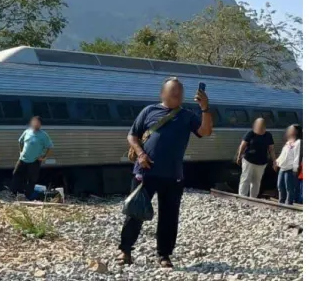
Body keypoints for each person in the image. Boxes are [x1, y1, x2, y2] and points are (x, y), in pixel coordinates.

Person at [118, 77, 213, 268]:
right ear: (163, 93)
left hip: (173, 174)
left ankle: (164, 255)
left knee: (169, 216)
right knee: (135, 211)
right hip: (145, 171)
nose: (177, 95)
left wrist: (204, 108)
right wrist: (140, 154)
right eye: (173, 91)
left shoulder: (187, 115)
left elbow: (205, 131)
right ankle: (125, 250)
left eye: (180, 92)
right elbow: (132, 135)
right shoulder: (149, 111)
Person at [14, 116, 53, 199]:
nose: (36, 124)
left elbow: (49, 146)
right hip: (22, 159)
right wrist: (21, 152)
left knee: (31, 179)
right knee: (16, 174)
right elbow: (20, 141)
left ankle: (28, 196)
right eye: (34, 122)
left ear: (40, 124)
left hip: (34, 161)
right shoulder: (27, 131)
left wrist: (44, 157)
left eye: (38, 122)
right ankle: (16, 193)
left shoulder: (43, 135)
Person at [235, 118, 275, 198]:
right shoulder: (250, 133)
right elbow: (243, 145)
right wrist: (239, 156)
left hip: (262, 162)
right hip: (248, 160)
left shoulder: (268, 135)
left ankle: (253, 198)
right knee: (245, 178)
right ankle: (242, 196)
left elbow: (271, 149)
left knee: (256, 181)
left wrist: (274, 161)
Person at [275, 123, 302, 205]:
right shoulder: (288, 142)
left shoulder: (298, 142)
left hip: (290, 168)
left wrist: (295, 168)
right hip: (282, 167)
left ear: (296, 131)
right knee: (280, 185)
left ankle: (288, 203)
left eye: (291, 129)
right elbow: (283, 153)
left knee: (289, 187)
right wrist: (277, 161)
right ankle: (281, 202)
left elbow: (297, 155)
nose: (289, 131)